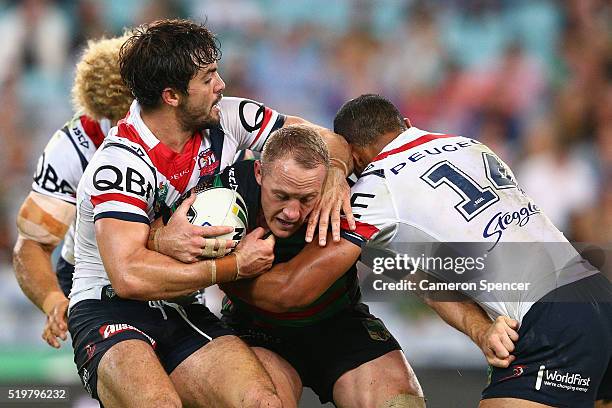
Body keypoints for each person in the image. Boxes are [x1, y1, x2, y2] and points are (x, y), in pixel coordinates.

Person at [242, 94, 609, 408]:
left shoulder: (375, 188)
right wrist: (481, 331)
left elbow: (291, 293)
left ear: (352, 154)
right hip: (597, 292)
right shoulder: (469, 145)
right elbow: (423, 276)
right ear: (405, 123)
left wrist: (225, 271)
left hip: (548, 318)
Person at [67, 19, 354, 408]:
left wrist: (335, 172)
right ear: (171, 95)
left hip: (183, 305)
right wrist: (234, 266)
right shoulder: (120, 163)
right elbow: (129, 276)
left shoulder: (228, 118)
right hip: (107, 309)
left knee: (261, 402)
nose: (221, 85)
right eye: (208, 77)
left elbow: (324, 140)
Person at [13, 34, 133, 349]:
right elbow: (33, 245)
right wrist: (54, 300)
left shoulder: (198, 132)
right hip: (92, 278)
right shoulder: (72, 149)